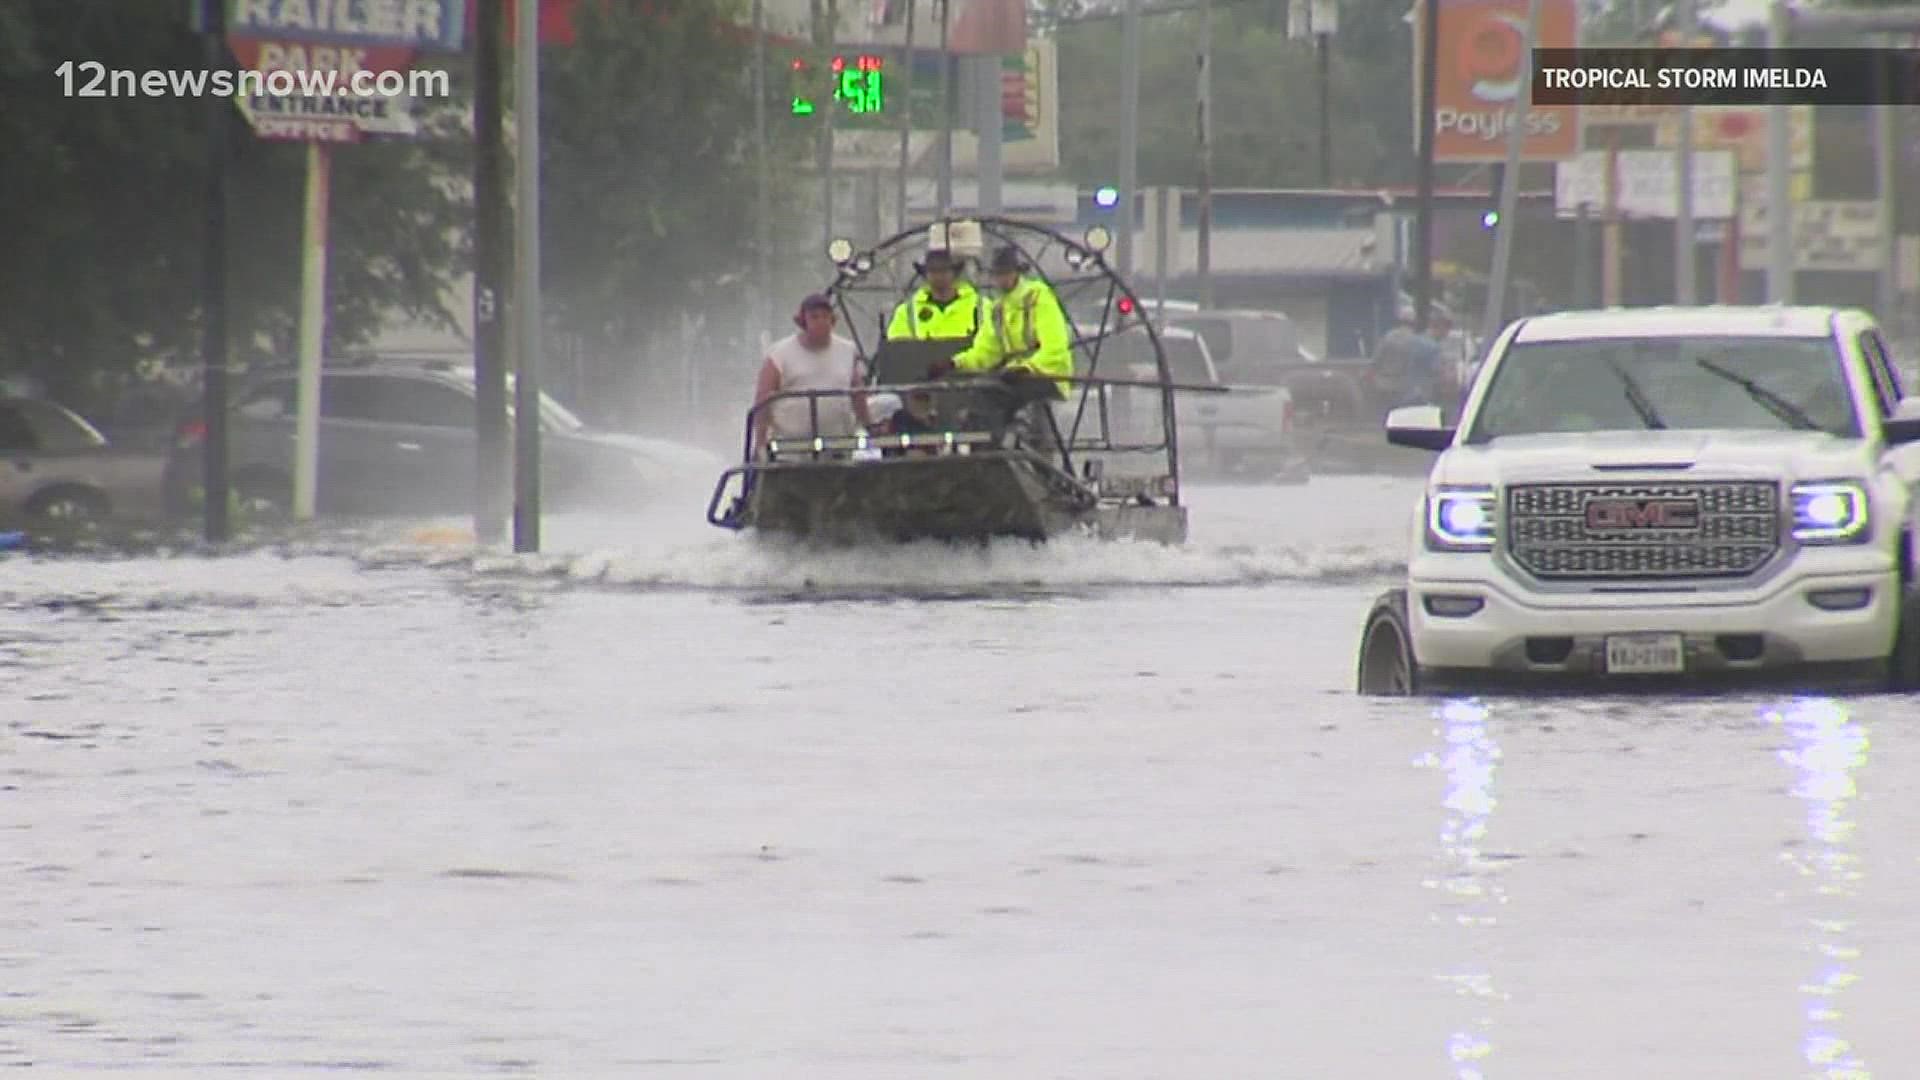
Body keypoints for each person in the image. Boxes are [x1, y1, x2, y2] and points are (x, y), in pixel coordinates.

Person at [932, 245, 1074, 449]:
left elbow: (1056, 347)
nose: (1000, 279)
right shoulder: (998, 308)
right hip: (1013, 376)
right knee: (981, 393)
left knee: (994, 395)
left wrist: (1028, 368)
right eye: (996, 274)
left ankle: (1002, 449)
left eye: (1004, 273)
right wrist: (954, 363)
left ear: (1017, 272)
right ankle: (982, 449)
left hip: (1046, 375)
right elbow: (985, 352)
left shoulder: (1038, 297)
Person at [751, 293, 873, 457]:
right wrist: (760, 440)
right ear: (803, 322)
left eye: (825, 316)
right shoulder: (780, 354)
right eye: (814, 317)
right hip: (789, 450)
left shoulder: (847, 350)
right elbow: (763, 399)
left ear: (833, 320)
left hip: (839, 447)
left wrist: (869, 427)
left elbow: (857, 393)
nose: (821, 322)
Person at [886, 248, 984, 342]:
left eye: (944, 270)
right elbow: (897, 348)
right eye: (933, 271)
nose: (938, 276)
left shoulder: (981, 307)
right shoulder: (907, 312)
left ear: (955, 273)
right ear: (925, 275)